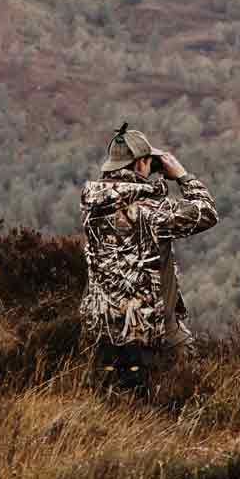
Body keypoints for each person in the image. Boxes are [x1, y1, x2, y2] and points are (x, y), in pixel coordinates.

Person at [79, 123, 218, 392]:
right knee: (193, 384)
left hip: (102, 325)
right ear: (141, 163)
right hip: (150, 328)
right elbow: (207, 213)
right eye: (148, 162)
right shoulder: (149, 211)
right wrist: (182, 177)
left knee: (107, 402)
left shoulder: (91, 205)